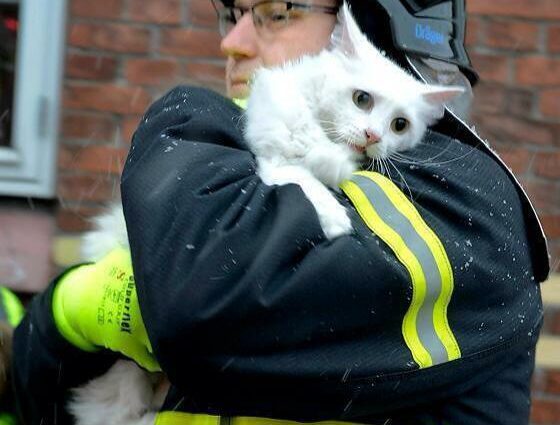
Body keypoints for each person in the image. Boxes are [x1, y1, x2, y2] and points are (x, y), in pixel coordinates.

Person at [13, 0, 550, 424]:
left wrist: (189, 118)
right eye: (230, 14)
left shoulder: (455, 197)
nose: (232, 42)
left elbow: (199, 307)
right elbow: (35, 390)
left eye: (276, 12)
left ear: (363, 28)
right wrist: (63, 312)